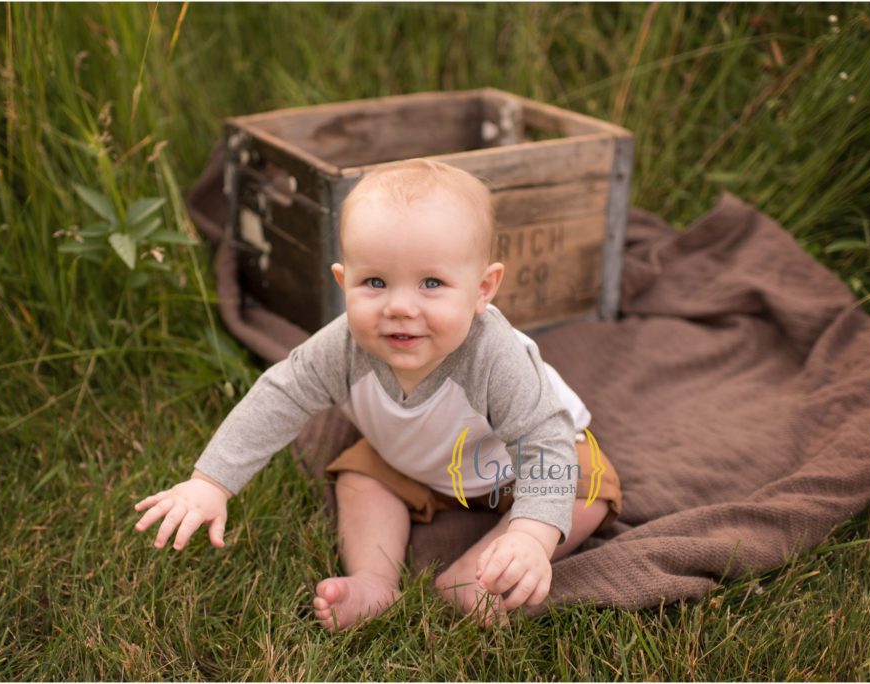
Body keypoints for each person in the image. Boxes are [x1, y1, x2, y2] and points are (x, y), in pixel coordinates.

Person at [133, 159, 624, 631]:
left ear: (482, 289)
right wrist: (211, 482)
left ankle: (481, 572)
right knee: (360, 477)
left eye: (432, 283)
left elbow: (542, 439)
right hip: (410, 459)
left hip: (512, 463)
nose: (400, 307)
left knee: (586, 487)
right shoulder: (344, 344)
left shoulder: (494, 356)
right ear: (342, 283)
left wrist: (531, 534)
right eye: (375, 282)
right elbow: (279, 395)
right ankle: (374, 580)